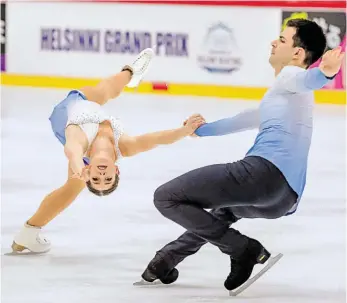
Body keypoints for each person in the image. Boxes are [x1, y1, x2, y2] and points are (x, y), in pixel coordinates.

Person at [139, 19, 345, 291]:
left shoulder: (290, 76)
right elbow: (242, 120)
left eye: (282, 40)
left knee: (166, 197)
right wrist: (201, 130)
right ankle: (164, 261)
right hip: (284, 199)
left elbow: (309, 78)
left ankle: (244, 249)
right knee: (223, 212)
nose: (274, 42)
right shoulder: (286, 97)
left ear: (297, 53)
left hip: (263, 176)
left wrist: (326, 74)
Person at [11, 48, 206, 254]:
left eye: (96, 179)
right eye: (107, 179)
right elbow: (156, 139)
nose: (101, 176)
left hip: (68, 112)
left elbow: (72, 151)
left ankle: (29, 231)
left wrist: (79, 168)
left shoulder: (80, 142)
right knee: (106, 92)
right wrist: (185, 130)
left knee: (74, 184)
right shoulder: (125, 146)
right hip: (91, 107)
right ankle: (130, 73)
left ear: (89, 172)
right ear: (116, 171)